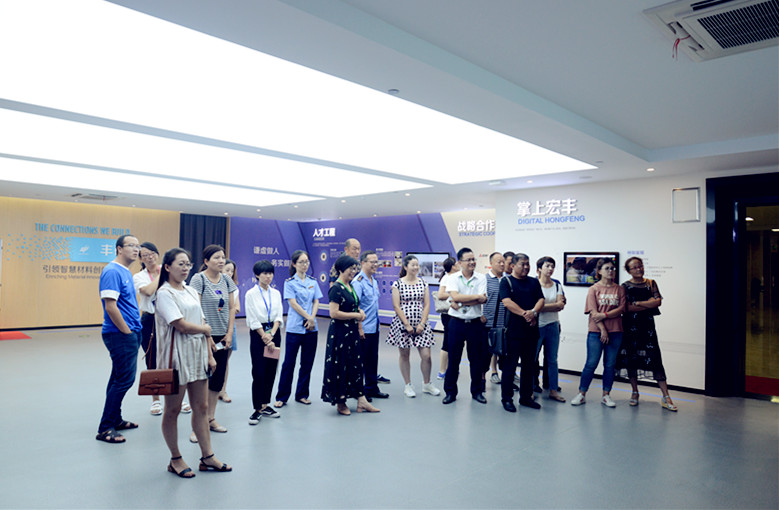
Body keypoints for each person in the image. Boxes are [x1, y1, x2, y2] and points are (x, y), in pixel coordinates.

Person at [155, 248, 231, 477]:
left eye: (188, 264)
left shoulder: (189, 289)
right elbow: (180, 324)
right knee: (173, 409)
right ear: (167, 267)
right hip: (176, 357)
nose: (186, 268)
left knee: (202, 407)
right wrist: (205, 330)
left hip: (197, 355)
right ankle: (175, 459)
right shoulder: (164, 293)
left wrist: (209, 353)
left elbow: (201, 319)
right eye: (180, 264)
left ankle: (207, 456)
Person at [95, 235, 143, 444]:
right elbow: (110, 306)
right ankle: (105, 428)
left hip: (129, 332)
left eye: (137, 246)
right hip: (120, 334)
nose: (136, 249)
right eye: (131, 245)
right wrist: (127, 332)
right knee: (124, 380)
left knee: (118, 377)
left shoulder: (125, 271)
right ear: (119, 249)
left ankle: (115, 419)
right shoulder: (112, 271)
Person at [616, 257, 677, 411]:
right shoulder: (625, 286)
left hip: (647, 327)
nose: (639, 269)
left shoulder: (651, 283)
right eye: (635, 267)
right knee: (632, 358)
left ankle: (666, 396)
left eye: (640, 266)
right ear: (628, 271)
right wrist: (647, 304)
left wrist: (638, 303)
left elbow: (658, 302)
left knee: (655, 358)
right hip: (630, 326)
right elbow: (627, 308)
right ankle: (635, 392)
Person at [189, 244, 237, 441]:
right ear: (206, 261)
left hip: (223, 337)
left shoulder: (227, 280)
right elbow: (196, 308)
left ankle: (210, 419)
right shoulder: (198, 279)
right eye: (216, 257)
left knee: (217, 381)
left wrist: (229, 333)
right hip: (203, 335)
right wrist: (207, 336)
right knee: (201, 381)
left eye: (223, 257)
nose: (221, 261)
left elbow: (232, 308)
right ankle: (197, 426)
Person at [322, 255, 380, 415]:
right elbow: (334, 313)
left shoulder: (350, 286)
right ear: (341, 270)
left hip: (352, 333)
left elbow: (353, 306)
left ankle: (361, 400)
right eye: (350, 269)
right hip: (340, 333)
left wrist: (359, 312)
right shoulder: (336, 288)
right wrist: (356, 316)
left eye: (355, 269)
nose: (353, 272)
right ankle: (340, 402)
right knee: (340, 365)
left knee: (355, 364)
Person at [571, 258, 626, 408]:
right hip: (596, 332)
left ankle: (606, 395)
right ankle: (582, 394)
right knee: (591, 363)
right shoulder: (594, 289)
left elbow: (621, 309)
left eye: (612, 268)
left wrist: (605, 315)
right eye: (607, 268)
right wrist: (603, 330)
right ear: (599, 271)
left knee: (610, 365)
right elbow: (593, 312)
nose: (611, 271)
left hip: (616, 331)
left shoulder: (619, 289)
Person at [387, 254, 440, 398]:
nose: (416, 267)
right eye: (413, 265)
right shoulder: (397, 284)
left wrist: (422, 323)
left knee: (426, 355)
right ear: (405, 267)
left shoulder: (423, 283)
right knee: (405, 355)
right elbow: (396, 306)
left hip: (421, 323)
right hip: (403, 324)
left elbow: (427, 304)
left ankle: (427, 384)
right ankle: (408, 385)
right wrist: (406, 324)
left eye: (417, 265)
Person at [275, 250, 322, 407]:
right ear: (294, 264)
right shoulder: (289, 283)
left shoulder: (313, 281)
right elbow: (293, 304)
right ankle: (282, 396)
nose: (305, 265)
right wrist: (308, 317)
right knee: (289, 363)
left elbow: (316, 301)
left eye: (307, 262)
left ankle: (302, 394)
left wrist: (312, 318)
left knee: (307, 363)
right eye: (301, 262)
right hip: (295, 328)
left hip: (311, 328)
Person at [499, 253, 545, 412]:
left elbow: (541, 300)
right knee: (509, 367)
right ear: (513, 266)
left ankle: (526, 397)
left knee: (529, 366)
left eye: (528, 264)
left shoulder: (533, 281)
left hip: (531, 331)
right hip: (513, 332)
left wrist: (533, 312)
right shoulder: (506, 281)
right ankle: (507, 399)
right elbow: (507, 302)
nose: (526, 267)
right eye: (522, 264)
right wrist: (526, 314)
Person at [442, 247, 488, 405]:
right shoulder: (453, 278)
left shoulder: (481, 278)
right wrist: (474, 297)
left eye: (473, 259)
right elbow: (454, 296)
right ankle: (450, 392)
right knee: (453, 359)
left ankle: (477, 392)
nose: (472, 262)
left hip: (475, 323)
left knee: (476, 359)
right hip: (456, 323)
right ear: (460, 262)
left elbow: (482, 299)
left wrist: (460, 301)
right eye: (468, 260)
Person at [245, 260, 284, 424]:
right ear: (257, 275)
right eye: (264, 273)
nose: (268, 276)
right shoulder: (251, 294)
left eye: (270, 273)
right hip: (258, 335)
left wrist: (272, 334)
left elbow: (279, 315)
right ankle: (257, 408)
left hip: (274, 334)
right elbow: (252, 318)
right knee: (259, 371)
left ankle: (265, 404)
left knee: (271, 370)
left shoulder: (276, 293)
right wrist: (265, 337)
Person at [352, 250, 389, 400]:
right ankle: (359, 392)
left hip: (374, 327)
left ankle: (372, 388)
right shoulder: (358, 282)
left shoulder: (373, 281)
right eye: (372, 262)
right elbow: (355, 306)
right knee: (360, 361)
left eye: (376, 262)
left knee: (372, 359)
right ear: (363, 263)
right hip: (363, 328)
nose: (375, 265)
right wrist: (360, 327)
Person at [133, 241, 163, 415]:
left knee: (173, 358)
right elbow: (148, 291)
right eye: (145, 255)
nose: (150, 257)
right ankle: (155, 399)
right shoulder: (139, 276)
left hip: (169, 319)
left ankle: (175, 396)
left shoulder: (167, 270)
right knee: (152, 359)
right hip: (149, 320)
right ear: (141, 259)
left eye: (152, 254)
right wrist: (163, 275)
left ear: (157, 254)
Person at [535, 256, 566, 403]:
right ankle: (531, 387)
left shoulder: (557, 285)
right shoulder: (534, 285)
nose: (550, 269)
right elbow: (534, 307)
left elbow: (560, 305)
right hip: (537, 326)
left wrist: (541, 307)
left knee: (552, 359)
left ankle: (553, 389)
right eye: (547, 266)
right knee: (532, 358)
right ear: (539, 268)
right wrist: (552, 306)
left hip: (553, 325)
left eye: (552, 266)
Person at [218, 259, 239, 404]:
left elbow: (236, 308)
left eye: (232, 271)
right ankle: (209, 389)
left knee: (224, 361)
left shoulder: (234, 288)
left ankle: (222, 390)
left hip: (230, 326)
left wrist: (229, 308)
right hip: (214, 326)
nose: (230, 273)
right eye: (227, 270)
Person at [436, 257, 460, 379]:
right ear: (453, 266)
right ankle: (442, 371)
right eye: (457, 263)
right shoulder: (447, 278)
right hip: (448, 314)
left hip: (455, 313)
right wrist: (454, 294)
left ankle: (451, 368)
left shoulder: (456, 277)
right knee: (447, 342)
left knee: (454, 343)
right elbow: (441, 295)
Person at [484, 252, 506, 384]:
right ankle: (489, 374)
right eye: (499, 262)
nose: (502, 264)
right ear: (491, 263)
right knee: (486, 353)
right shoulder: (484, 279)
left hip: (504, 322)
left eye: (503, 262)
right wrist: (482, 316)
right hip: (488, 322)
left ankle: (505, 377)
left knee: (502, 351)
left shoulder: (507, 280)